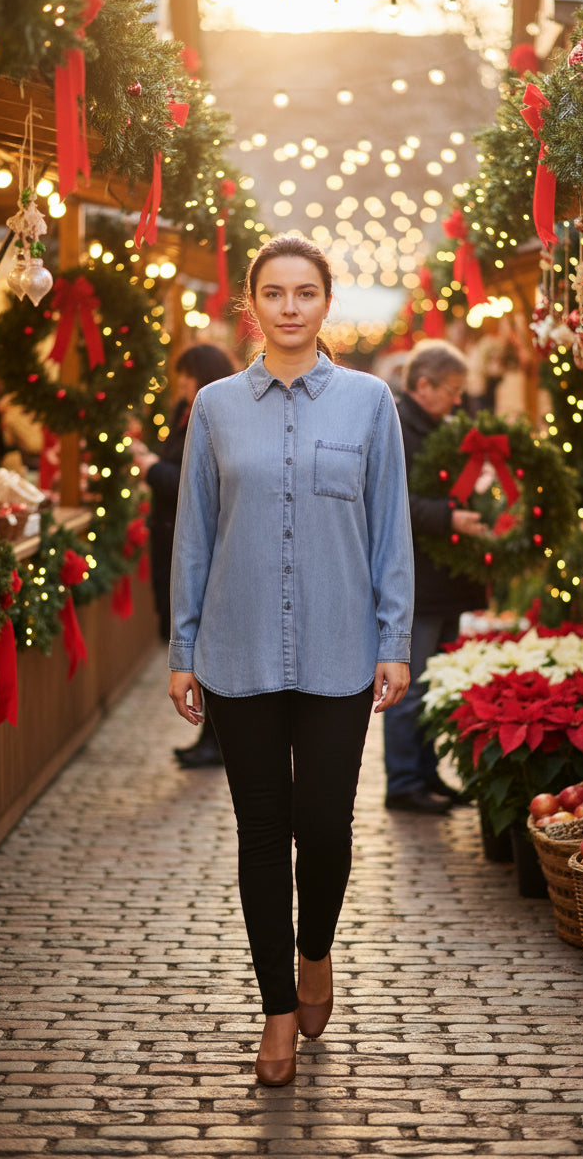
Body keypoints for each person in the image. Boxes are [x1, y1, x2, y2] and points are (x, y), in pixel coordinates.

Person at [168, 234, 414, 1086]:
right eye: (274, 293)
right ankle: (278, 1006)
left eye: (304, 292)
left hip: (341, 650)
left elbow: (391, 530)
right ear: (253, 304)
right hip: (236, 652)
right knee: (263, 834)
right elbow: (194, 532)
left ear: (325, 302)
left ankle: (317, 953)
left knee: (328, 827)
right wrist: (183, 647)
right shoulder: (216, 407)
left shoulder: (369, 402)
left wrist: (394, 641)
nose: (290, 307)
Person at [383, 340, 487, 814]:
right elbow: (391, 500)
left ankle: (427, 774)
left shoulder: (443, 427)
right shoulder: (396, 428)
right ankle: (403, 782)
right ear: (422, 386)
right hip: (417, 584)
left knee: (436, 684)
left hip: (445, 582)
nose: (458, 400)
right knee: (410, 686)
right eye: (451, 390)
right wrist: (450, 517)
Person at [132, 343, 236, 769]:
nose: (182, 385)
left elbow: (191, 483)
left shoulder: (211, 413)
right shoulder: (188, 412)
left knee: (208, 643)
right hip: (173, 537)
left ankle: (215, 738)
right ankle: (209, 736)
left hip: (194, 538)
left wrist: (149, 466)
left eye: (188, 376)